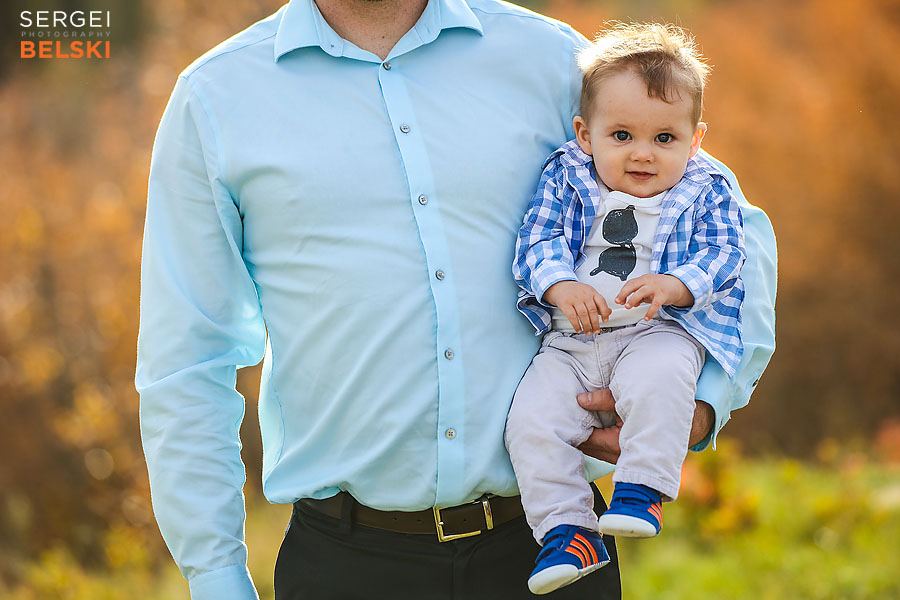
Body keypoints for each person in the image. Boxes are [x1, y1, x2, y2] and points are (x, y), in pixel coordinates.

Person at [135, 2, 776, 599]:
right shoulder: (216, 98)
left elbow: (732, 229)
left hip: (552, 543)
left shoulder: (549, 61)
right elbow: (188, 358)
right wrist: (216, 575)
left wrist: (703, 402)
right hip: (345, 565)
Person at [505, 22, 750, 595]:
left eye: (665, 138)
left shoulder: (705, 186)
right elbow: (536, 240)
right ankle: (568, 531)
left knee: (662, 378)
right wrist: (560, 285)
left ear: (695, 140)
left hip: (654, 330)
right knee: (530, 422)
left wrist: (677, 284)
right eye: (622, 135)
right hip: (570, 341)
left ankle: (642, 489)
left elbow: (727, 252)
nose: (643, 154)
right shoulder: (566, 176)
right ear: (586, 135)